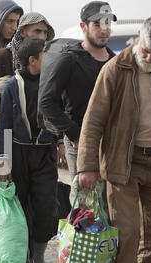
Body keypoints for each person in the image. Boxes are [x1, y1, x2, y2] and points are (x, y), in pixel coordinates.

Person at [77, 17, 151, 263]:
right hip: (122, 164)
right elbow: (93, 120)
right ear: (139, 37)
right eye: (146, 50)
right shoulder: (115, 69)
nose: (149, 58)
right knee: (126, 233)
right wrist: (87, 166)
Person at [38, 1, 117, 204]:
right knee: (84, 204)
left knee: (111, 203)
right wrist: (73, 132)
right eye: (97, 24)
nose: (103, 30)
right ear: (84, 26)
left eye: (107, 23)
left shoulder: (116, 62)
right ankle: (79, 237)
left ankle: (109, 238)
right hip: (80, 142)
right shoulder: (70, 60)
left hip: (111, 143)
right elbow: (46, 102)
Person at [0, 38, 58, 263]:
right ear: (32, 60)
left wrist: (61, 142)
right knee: (20, 208)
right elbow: (3, 127)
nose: (49, 59)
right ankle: (22, 260)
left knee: (47, 206)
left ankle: (39, 258)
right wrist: (3, 163)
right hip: (18, 153)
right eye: (45, 54)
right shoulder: (11, 86)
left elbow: (58, 113)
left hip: (44, 152)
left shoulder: (51, 82)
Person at [0, 11, 54, 89]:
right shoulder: (1, 56)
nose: (42, 37)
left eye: (45, 33)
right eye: (37, 31)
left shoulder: (49, 60)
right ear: (23, 32)